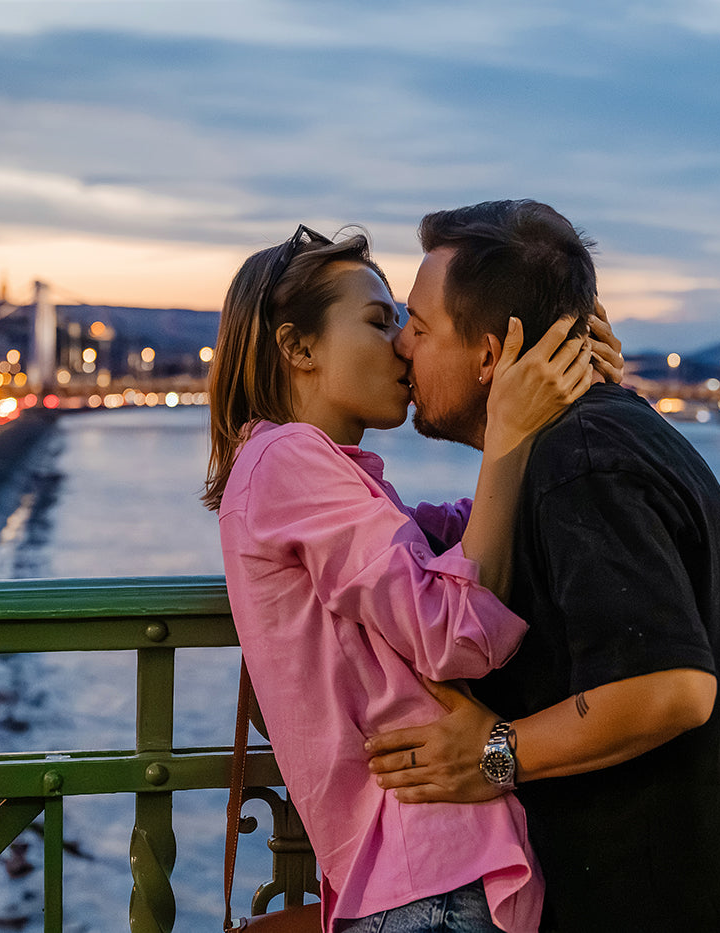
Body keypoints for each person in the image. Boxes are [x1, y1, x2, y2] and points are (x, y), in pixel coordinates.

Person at [365, 200, 720, 933]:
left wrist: (492, 754)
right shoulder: (596, 436)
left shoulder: (580, 458)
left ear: (491, 354)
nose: (399, 347)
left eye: (418, 329)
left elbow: (670, 688)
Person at [204, 223, 619, 933]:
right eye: (378, 319)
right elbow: (455, 632)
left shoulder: (322, 476)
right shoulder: (288, 463)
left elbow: (468, 529)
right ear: (298, 348)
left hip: (430, 877)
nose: (401, 339)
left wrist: (558, 397)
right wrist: (511, 437)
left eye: (403, 318)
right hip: (431, 874)